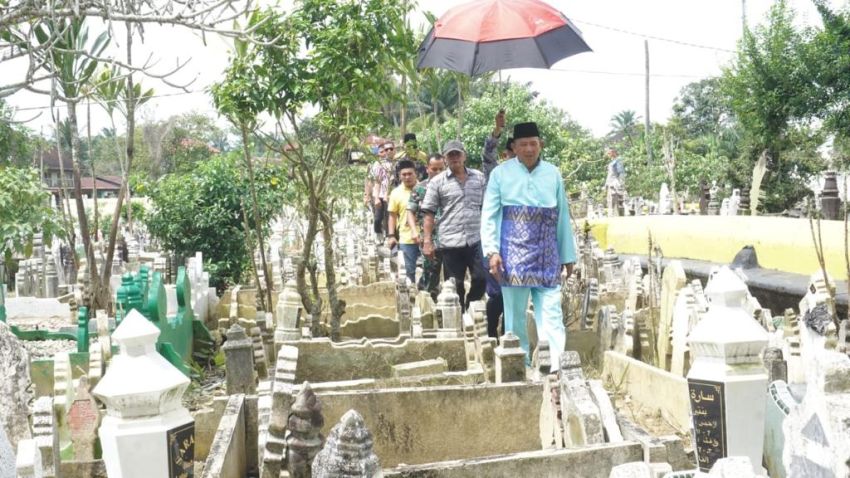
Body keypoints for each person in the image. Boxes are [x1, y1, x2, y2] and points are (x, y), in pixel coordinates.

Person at [481, 122, 577, 370]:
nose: (529, 149)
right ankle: (519, 366)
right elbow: (489, 216)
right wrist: (492, 252)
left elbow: (562, 215)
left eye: (533, 143)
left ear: (540, 145)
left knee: (552, 313)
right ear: (514, 147)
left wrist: (568, 255)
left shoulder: (553, 173)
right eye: (523, 144)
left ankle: (555, 368)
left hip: (547, 255)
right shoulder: (500, 175)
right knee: (514, 317)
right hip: (512, 256)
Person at [421, 139, 487, 310]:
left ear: (464, 155)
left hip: (476, 237)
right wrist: (427, 241)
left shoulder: (479, 178)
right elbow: (428, 212)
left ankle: (470, 306)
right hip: (450, 241)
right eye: (450, 155)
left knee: (481, 278)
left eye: (457, 154)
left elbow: (487, 207)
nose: (455, 158)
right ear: (445, 159)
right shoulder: (437, 182)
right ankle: (459, 317)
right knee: (454, 285)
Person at [407, 153, 446, 299]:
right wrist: (413, 231)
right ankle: (426, 295)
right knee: (431, 269)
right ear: (427, 168)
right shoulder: (420, 188)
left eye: (441, 169)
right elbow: (410, 211)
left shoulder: (451, 186)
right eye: (434, 169)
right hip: (429, 237)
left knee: (450, 271)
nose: (437, 173)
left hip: (450, 235)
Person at [387, 160, 420, 284]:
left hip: (426, 236)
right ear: (399, 176)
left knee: (430, 270)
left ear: (415, 173)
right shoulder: (396, 193)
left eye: (410, 174)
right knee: (408, 271)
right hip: (406, 238)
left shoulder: (425, 188)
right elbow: (392, 216)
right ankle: (411, 298)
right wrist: (391, 236)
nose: (407, 177)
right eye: (404, 174)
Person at [365, 141, 395, 242]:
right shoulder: (378, 164)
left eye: (391, 149)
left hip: (393, 196)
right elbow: (373, 181)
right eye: (386, 150)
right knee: (378, 218)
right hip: (381, 195)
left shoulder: (397, 163)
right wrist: (371, 196)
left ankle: (389, 237)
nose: (389, 151)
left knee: (389, 217)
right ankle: (378, 233)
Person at [605, 147, 626, 216]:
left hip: (615, 183)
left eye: (609, 153)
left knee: (617, 200)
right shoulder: (611, 162)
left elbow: (621, 172)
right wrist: (606, 184)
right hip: (610, 183)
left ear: (614, 153)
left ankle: (618, 214)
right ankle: (611, 214)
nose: (608, 154)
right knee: (610, 200)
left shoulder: (618, 161)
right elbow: (609, 174)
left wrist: (621, 183)